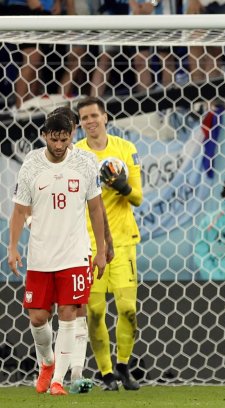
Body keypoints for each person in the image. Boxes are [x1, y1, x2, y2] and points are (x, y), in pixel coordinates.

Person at [7, 113, 107, 396]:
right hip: (41, 254)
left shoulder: (86, 163)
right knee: (38, 318)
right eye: (54, 138)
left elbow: (96, 208)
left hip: (75, 252)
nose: (60, 144)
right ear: (44, 135)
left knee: (69, 311)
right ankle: (48, 363)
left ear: (72, 134)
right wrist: (12, 247)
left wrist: (100, 250)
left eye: (65, 138)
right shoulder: (31, 165)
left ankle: (59, 380)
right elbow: (19, 210)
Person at [75, 96, 143, 391]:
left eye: (94, 115)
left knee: (128, 309)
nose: (90, 121)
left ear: (105, 117)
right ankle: (105, 373)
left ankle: (124, 366)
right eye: (84, 118)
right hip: (87, 245)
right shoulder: (75, 155)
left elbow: (138, 197)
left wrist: (120, 185)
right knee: (94, 312)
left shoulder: (125, 149)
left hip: (124, 242)